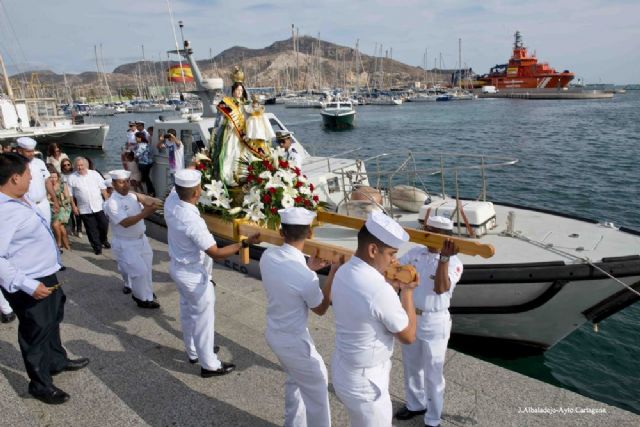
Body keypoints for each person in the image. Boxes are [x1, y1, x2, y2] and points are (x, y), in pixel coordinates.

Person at [0, 153, 89, 405]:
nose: (31, 180)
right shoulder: (3, 212)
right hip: (30, 281)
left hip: (45, 273)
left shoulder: (18, 199)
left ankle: (56, 361)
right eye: (28, 176)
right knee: (35, 331)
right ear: (15, 178)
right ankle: (39, 384)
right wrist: (28, 285)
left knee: (52, 319)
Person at [165, 169, 260, 377]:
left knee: (188, 311)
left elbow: (180, 185)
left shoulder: (171, 201)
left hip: (177, 268)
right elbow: (216, 253)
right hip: (192, 275)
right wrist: (245, 243)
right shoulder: (192, 222)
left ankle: (193, 351)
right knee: (203, 320)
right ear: (197, 192)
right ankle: (209, 364)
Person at [331, 210, 419, 427]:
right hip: (367, 381)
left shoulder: (344, 270)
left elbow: (366, 305)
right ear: (373, 250)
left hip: (345, 368)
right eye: (391, 254)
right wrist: (407, 292)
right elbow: (408, 336)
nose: (394, 260)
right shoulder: (379, 290)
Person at [259, 207, 341, 427]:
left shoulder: (268, 255)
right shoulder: (305, 277)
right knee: (317, 387)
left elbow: (289, 280)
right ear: (310, 234)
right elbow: (321, 308)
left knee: (295, 381)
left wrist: (309, 269)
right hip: (293, 341)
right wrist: (332, 274)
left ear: (281, 231)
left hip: (274, 332)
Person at [395, 216, 463, 427]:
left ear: (444, 238)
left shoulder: (455, 263)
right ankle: (416, 404)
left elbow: (441, 287)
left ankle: (433, 418)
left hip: (435, 320)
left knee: (433, 372)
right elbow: (396, 270)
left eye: (430, 231)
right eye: (426, 229)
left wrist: (444, 258)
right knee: (411, 365)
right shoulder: (416, 252)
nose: (425, 234)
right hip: (411, 315)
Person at [103, 170, 159, 309]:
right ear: (114, 184)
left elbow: (151, 201)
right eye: (121, 182)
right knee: (139, 272)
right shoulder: (112, 203)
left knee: (146, 270)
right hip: (126, 243)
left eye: (127, 181)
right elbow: (125, 222)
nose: (125, 185)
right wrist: (145, 213)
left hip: (141, 239)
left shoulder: (132, 196)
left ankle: (147, 294)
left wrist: (138, 194)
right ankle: (140, 298)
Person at [66, 157, 110, 255]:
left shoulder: (94, 174)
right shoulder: (71, 178)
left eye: (81, 165)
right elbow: (70, 195)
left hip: (99, 206)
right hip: (84, 208)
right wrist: (74, 207)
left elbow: (103, 189)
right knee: (91, 228)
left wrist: (107, 201)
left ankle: (103, 239)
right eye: (77, 165)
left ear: (86, 165)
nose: (80, 167)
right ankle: (96, 247)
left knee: (104, 225)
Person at [214, 67, 249, 186]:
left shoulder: (245, 104)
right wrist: (228, 124)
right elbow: (220, 119)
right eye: (237, 90)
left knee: (242, 155)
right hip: (231, 134)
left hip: (242, 134)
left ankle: (241, 176)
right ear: (233, 91)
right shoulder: (226, 103)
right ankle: (228, 177)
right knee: (230, 153)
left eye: (241, 90)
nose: (239, 92)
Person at [15, 137, 58, 225]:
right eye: (28, 151)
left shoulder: (40, 163)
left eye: (33, 151)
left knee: (47, 230)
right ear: (19, 151)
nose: (32, 154)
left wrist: (55, 200)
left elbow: (47, 181)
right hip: (26, 206)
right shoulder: (14, 166)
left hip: (43, 203)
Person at [47, 167, 72, 252]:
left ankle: (58, 244)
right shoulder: (47, 186)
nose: (53, 179)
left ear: (58, 177)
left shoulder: (62, 185)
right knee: (60, 227)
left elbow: (68, 199)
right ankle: (66, 244)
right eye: (51, 177)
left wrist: (59, 203)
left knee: (55, 225)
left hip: (64, 208)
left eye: (54, 177)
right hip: (53, 209)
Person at [60, 158, 82, 237]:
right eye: (64, 165)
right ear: (62, 166)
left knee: (77, 213)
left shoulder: (75, 174)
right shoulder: (61, 175)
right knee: (70, 214)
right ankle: (72, 228)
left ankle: (79, 230)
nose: (66, 166)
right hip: (66, 197)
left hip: (75, 196)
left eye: (68, 164)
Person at [133, 131, 155, 196]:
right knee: (146, 178)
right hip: (149, 163)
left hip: (143, 164)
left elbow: (137, 155)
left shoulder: (141, 145)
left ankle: (151, 192)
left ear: (140, 138)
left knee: (146, 179)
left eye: (136, 138)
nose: (135, 139)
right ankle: (149, 191)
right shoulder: (146, 144)